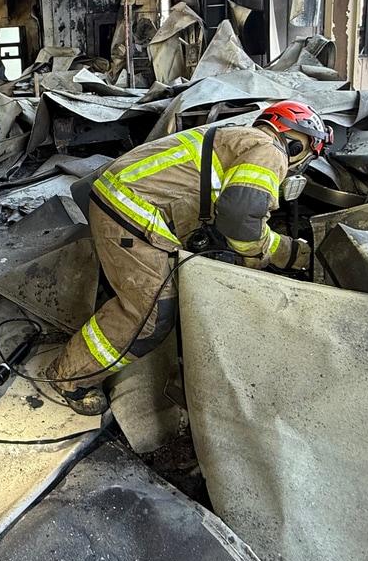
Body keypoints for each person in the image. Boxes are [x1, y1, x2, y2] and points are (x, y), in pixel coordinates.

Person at [45, 100, 331, 415]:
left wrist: (292, 252)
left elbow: (242, 220)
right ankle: (69, 378)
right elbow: (241, 221)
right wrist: (259, 258)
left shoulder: (238, 139)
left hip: (120, 203)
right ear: (296, 140)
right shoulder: (270, 150)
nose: (300, 163)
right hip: (130, 214)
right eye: (308, 152)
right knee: (150, 315)